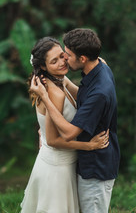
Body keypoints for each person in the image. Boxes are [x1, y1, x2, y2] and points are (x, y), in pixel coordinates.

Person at [30, 28, 120, 213]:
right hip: (64, 166)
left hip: (95, 165)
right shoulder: (100, 66)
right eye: (57, 58)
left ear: (83, 58)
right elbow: (82, 100)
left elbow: (69, 132)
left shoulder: (98, 92)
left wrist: (46, 99)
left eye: (66, 55)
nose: (64, 59)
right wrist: (44, 131)